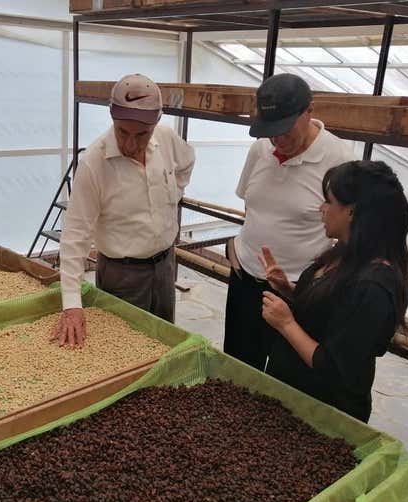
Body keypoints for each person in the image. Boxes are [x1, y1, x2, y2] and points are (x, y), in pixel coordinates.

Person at [260, 160, 408, 423]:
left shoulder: (374, 286)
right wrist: (289, 289)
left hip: (323, 412)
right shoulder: (347, 251)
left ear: (351, 212)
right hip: (292, 395)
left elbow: (332, 367)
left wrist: (286, 323)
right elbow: (330, 310)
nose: (321, 208)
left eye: (328, 201)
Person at [224, 73, 356, 371]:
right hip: (245, 281)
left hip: (297, 293)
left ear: (309, 111)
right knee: (237, 370)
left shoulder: (338, 160)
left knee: (285, 378)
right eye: (271, 131)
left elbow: (346, 233)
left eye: (285, 129)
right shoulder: (260, 150)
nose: (278, 140)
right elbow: (251, 204)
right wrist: (240, 249)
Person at [53, 73, 195, 346]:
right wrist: (72, 304)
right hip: (122, 276)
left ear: (157, 122)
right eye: (123, 132)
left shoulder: (165, 138)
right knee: (124, 350)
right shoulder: (94, 162)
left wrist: (175, 192)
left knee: (163, 344)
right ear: (112, 119)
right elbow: (75, 234)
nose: (131, 144)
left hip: (165, 266)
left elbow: (187, 161)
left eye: (142, 134)